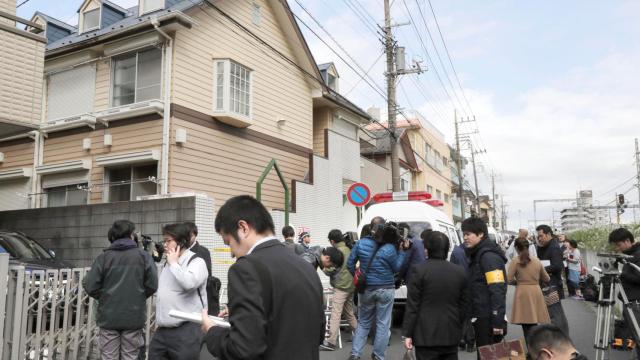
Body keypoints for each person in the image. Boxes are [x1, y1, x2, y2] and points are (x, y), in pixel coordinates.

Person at [202, 195, 325, 360]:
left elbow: (243, 349)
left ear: (243, 228)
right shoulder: (306, 266)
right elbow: (318, 331)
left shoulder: (245, 268)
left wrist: (212, 331)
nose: (231, 253)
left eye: (228, 242)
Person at [84, 220, 158, 360]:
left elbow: (89, 285)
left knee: (109, 357)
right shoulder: (143, 257)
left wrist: (105, 297)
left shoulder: (103, 258)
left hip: (108, 318)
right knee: (130, 356)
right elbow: (153, 285)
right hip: (133, 317)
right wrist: (138, 295)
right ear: (131, 235)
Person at [347, 220, 410, 360]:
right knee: (383, 324)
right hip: (386, 288)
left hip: (367, 289)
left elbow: (349, 264)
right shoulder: (390, 248)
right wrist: (402, 252)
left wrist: (358, 276)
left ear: (371, 229)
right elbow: (397, 268)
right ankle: (378, 356)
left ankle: (355, 354)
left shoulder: (361, 243)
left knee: (363, 322)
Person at [402, 231, 469, 360]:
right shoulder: (459, 272)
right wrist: (458, 323)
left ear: (427, 249)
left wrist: (408, 334)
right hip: (450, 332)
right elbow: (464, 304)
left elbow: (413, 306)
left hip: (425, 335)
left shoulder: (419, 270)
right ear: (447, 248)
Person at [148, 223, 208, 359]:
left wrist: (174, 264)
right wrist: (161, 321)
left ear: (181, 241)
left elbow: (189, 283)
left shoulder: (197, 261)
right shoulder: (167, 263)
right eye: (164, 241)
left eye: (168, 241)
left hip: (187, 329)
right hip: (163, 329)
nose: (165, 245)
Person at [461, 217, 507, 356]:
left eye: (468, 234)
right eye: (464, 234)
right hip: (481, 316)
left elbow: (497, 289)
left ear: (481, 234)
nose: (465, 238)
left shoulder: (488, 257)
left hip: (488, 318)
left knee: (490, 355)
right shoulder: (478, 254)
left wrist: (498, 321)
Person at [507, 238, 551, 344]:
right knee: (534, 322)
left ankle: (532, 349)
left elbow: (509, 279)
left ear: (517, 248)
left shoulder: (515, 261)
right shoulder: (536, 260)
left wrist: (518, 282)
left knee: (526, 324)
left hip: (522, 292)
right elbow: (547, 279)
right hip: (536, 291)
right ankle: (535, 347)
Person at [320, 229, 358, 351]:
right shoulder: (349, 248)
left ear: (332, 241)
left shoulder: (337, 252)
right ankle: (359, 335)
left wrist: (324, 269)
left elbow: (331, 269)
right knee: (349, 312)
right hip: (351, 285)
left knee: (335, 313)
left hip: (341, 286)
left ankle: (331, 342)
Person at [608, 227, 640, 359]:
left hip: (635, 302)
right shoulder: (631, 254)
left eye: (618, 244)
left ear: (628, 241)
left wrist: (621, 274)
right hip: (629, 301)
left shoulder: (637, 255)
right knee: (636, 337)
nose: (617, 248)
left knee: (638, 336)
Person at [536, 225, 569, 335]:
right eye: (538, 236)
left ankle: (563, 341)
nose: (539, 238)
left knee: (556, 315)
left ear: (549, 234)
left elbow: (557, 266)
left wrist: (540, 269)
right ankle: (560, 340)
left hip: (552, 286)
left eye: (541, 236)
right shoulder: (544, 247)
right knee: (553, 314)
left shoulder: (554, 248)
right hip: (547, 285)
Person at [184, 222, 222, 315]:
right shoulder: (181, 249)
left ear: (195, 235)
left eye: (190, 235)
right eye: (185, 235)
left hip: (198, 293)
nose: (188, 238)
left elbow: (207, 275)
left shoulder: (203, 251)